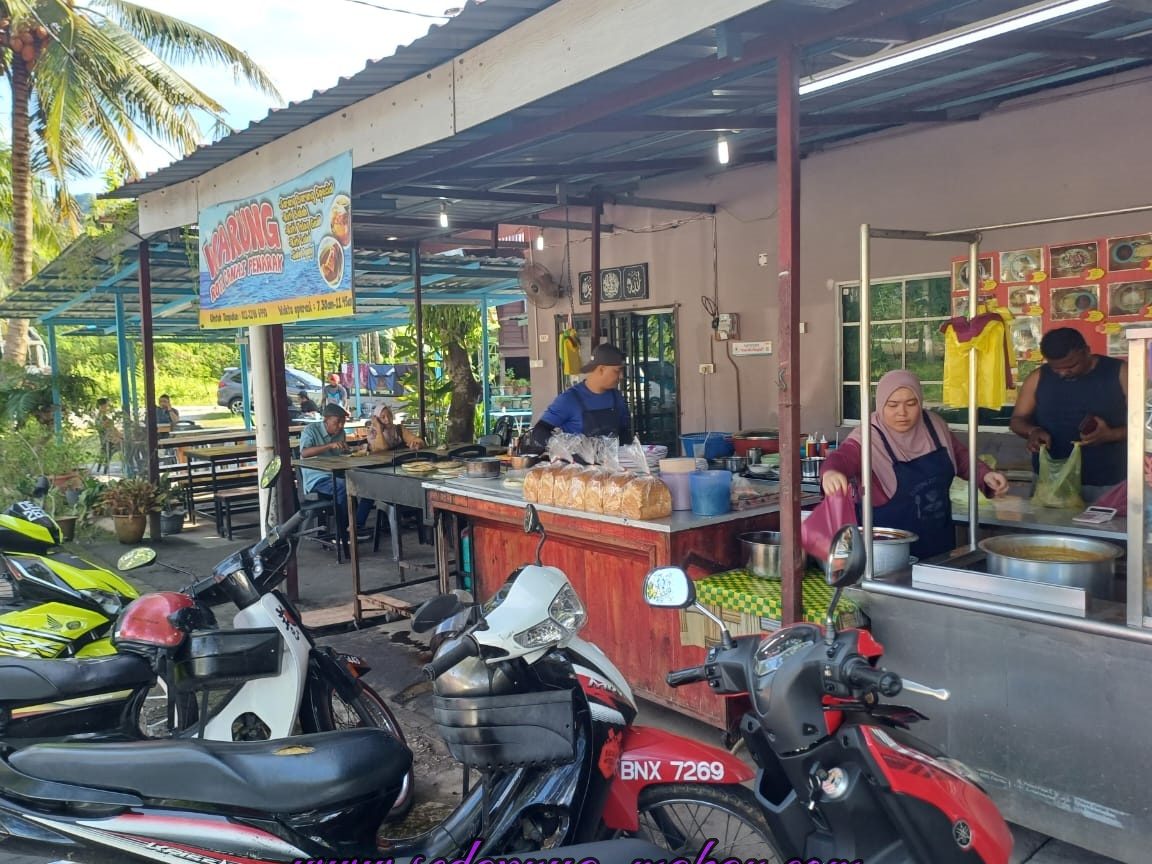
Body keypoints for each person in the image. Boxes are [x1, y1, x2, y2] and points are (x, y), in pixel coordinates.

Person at [821, 370, 1009, 560]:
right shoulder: (868, 437)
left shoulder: (934, 425)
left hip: (939, 545)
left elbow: (959, 457)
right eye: (892, 405)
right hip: (887, 553)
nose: (902, 412)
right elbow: (842, 458)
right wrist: (831, 472)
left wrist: (984, 474)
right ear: (880, 404)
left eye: (911, 404)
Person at [1009, 327, 1127, 502]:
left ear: (1086, 351)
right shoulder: (1038, 377)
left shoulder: (1121, 373)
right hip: (1051, 482)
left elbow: (1147, 425)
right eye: (1056, 368)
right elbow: (1017, 420)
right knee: (1048, 528)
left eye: (1071, 366)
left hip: (1109, 481)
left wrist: (1111, 435)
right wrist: (1032, 431)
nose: (1063, 372)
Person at [529, 343, 632, 448]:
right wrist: (561, 447)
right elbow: (539, 432)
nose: (621, 376)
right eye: (617, 370)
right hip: (578, 463)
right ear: (601, 369)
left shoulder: (616, 397)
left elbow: (625, 431)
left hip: (612, 462)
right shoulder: (569, 400)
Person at [299, 404, 373, 542]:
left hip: (338, 474)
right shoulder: (310, 430)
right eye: (336, 422)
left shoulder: (340, 433)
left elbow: (341, 455)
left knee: (369, 486)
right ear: (326, 420)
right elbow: (304, 453)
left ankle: (356, 526)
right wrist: (329, 446)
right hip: (317, 478)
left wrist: (352, 449)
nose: (340, 426)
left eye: (342, 423)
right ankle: (343, 534)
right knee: (344, 488)